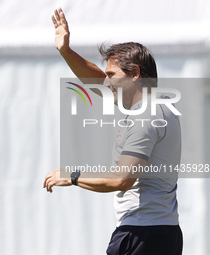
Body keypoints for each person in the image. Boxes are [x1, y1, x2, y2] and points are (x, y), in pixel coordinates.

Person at [43, 8, 183, 255]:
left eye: (112, 75)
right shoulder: (153, 107)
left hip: (142, 236)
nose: (106, 82)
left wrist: (72, 176)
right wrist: (65, 50)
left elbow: (122, 180)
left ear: (135, 74)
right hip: (156, 232)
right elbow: (97, 81)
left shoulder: (147, 116)